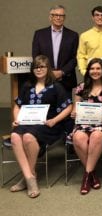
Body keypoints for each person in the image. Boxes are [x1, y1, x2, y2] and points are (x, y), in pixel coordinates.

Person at [10, 55, 72, 198]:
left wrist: (54, 120)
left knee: (28, 138)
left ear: (48, 68)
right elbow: (17, 106)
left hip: (47, 124)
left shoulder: (56, 86)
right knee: (14, 136)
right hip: (27, 122)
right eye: (36, 67)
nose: (39, 69)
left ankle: (28, 178)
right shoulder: (27, 85)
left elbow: (68, 107)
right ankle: (30, 176)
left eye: (42, 66)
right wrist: (16, 119)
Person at [70, 58, 102, 195]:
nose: (95, 71)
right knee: (78, 138)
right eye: (92, 69)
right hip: (83, 122)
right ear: (88, 71)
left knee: (96, 136)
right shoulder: (81, 87)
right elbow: (75, 108)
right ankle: (92, 173)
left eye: (98, 68)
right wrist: (74, 113)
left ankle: (86, 178)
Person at [32, 5, 79, 96]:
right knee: (47, 107)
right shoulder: (39, 34)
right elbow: (36, 56)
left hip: (66, 79)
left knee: (65, 108)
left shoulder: (73, 35)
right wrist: (48, 71)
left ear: (64, 18)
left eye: (61, 15)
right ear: (50, 17)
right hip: (44, 78)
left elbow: (75, 58)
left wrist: (61, 72)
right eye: (55, 15)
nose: (58, 17)